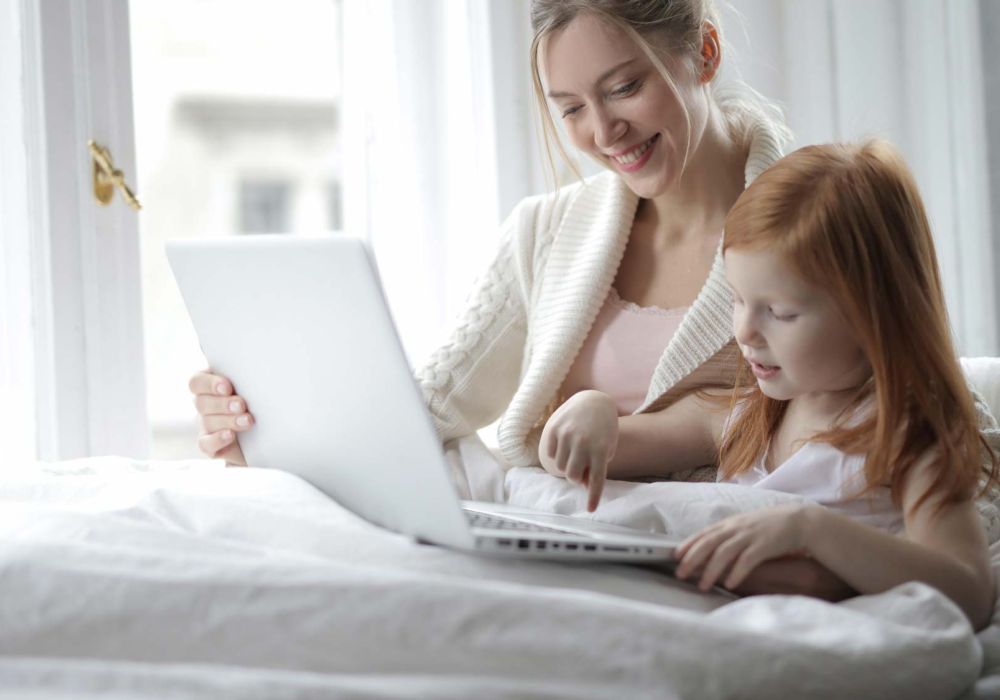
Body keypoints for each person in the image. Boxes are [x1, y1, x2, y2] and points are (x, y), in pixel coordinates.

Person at [540, 140, 999, 629]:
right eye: (737, 300)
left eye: (779, 313)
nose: (743, 332)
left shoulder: (907, 434)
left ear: (873, 315)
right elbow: (582, 460)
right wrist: (590, 411)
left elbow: (967, 590)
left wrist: (812, 530)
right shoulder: (742, 415)